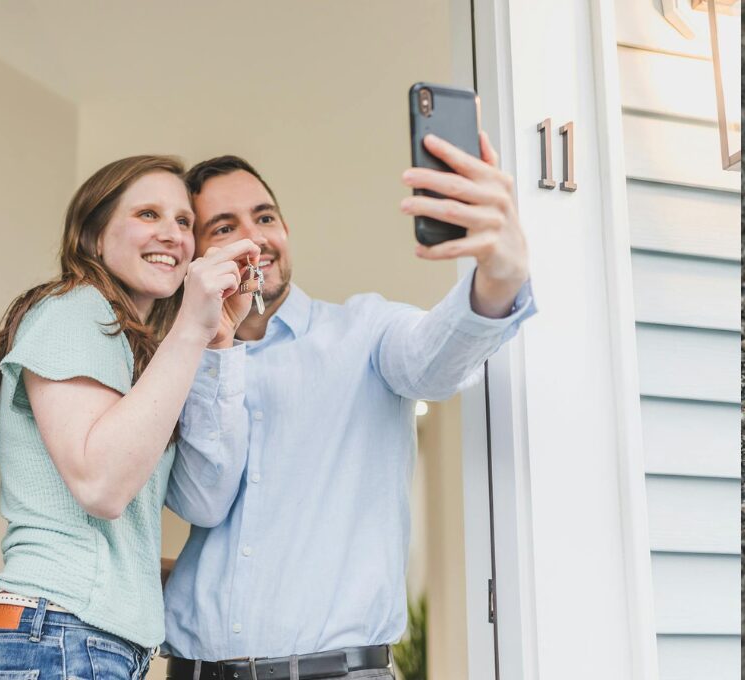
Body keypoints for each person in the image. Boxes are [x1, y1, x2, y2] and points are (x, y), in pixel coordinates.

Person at [162, 133, 536, 678]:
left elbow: (434, 360)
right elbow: (200, 505)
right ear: (195, 256)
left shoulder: (366, 330)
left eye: (265, 219)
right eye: (224, 227)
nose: (254, 239)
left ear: (285, 230)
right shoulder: (178, 366)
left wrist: (498, 277)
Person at [0, 155, 259, 680]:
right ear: (94, 236)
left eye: (184, 222)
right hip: (57, 638)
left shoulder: (139, 353)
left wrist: (219, 341)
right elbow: (102, 486)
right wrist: (190, 323)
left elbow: (203, 501)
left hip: (82, 643)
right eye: (147, 214)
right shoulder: (75, 308)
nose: (173, 235)